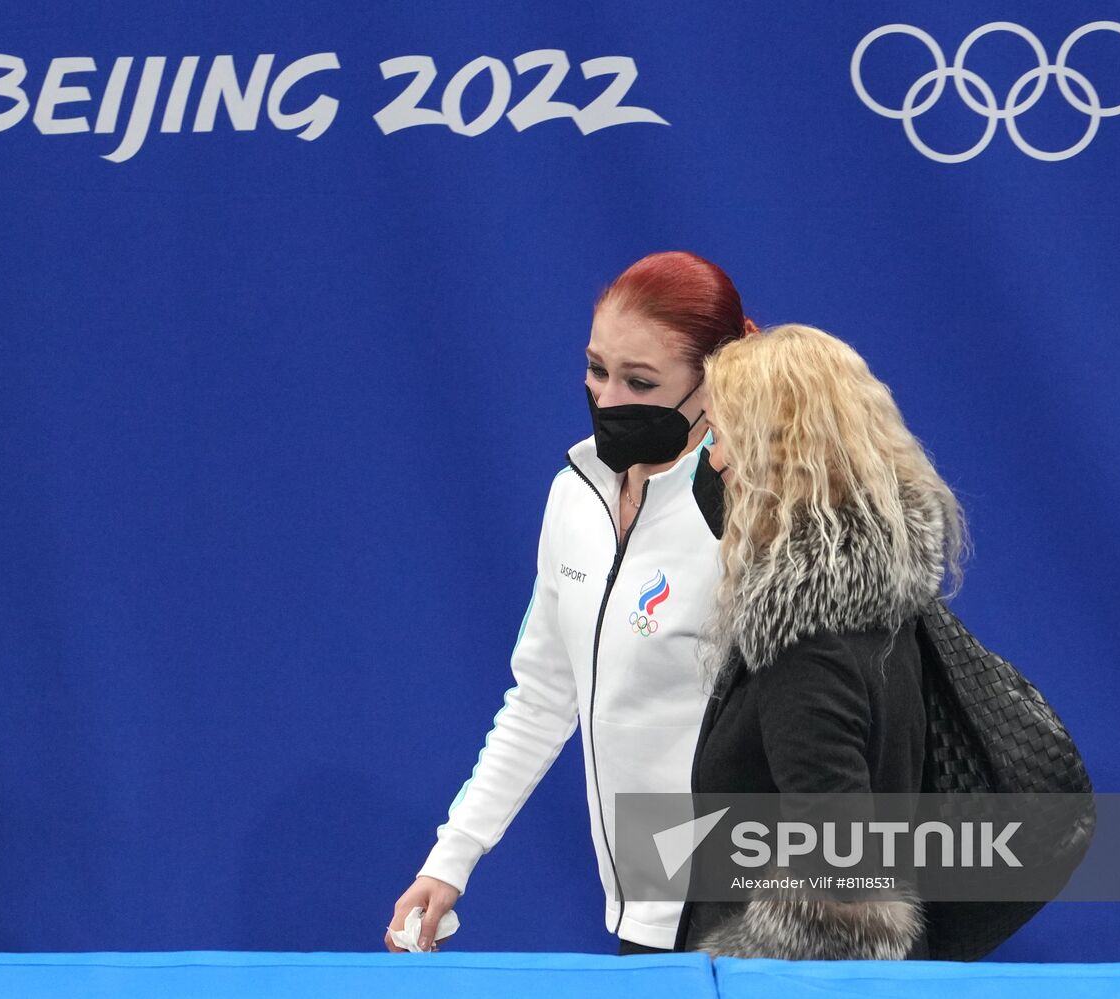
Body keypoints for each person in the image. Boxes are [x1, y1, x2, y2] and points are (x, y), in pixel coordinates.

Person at [386, 252, 761, 954]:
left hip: (755, 917)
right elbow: (543, 696)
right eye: (597, 369)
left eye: (640, 380)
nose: (609, 398)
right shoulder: (574, 493)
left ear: (716, 378)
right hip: (643, 916)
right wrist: (451, 858)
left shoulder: (758, 509)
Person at [674, 323, 968, 960]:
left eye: (719, 437)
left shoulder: (804, 642)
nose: (712, 460)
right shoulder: (885, 612)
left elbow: (845, 890)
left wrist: (732, 970)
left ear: (770, 455)